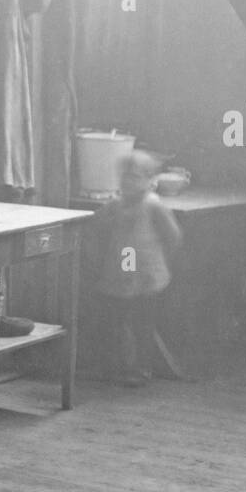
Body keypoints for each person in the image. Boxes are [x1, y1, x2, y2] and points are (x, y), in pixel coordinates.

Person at [92, 149, 182, 386]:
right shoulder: (116, 204)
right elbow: (97, 223)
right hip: (119, 276)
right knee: (116, 322)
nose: (126, 181)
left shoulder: (153, 205)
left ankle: (142, 368)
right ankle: (118, 366)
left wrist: (162, 264)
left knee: (142, 324)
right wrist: (106, 215)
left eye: (134, 176)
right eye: (123, 176)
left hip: (146, 277)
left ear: (150, 180)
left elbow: (173, 236)